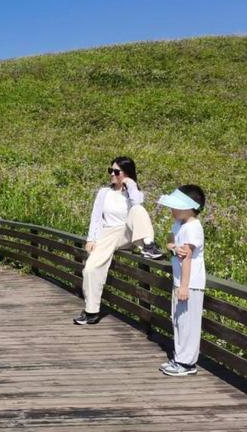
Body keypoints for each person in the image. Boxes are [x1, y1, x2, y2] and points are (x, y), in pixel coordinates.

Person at [74, 157, 164, 325]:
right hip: (108, 234)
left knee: (137, 209)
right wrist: (91, 238)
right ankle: (91, 310)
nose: (112, 175)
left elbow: (137, 203)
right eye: (111, 171)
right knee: (90, 269)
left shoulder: (133, 191)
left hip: (127, 232)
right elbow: (96, 217)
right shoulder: (104, 192)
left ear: (126, 174)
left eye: (116, 172)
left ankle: (149, 245)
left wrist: (129, 183)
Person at [157, 185, 207, 377]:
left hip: (190, 283)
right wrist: (172, 247)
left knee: (188, 323)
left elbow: (187, 258)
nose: (171, 210)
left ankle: (187, 363)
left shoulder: (193, 227)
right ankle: (179, 358)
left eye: (175, 206)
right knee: (178, 320)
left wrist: (184, 286)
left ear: (189, 207)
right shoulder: (180, 224)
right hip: (180, 282)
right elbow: (171, 240)